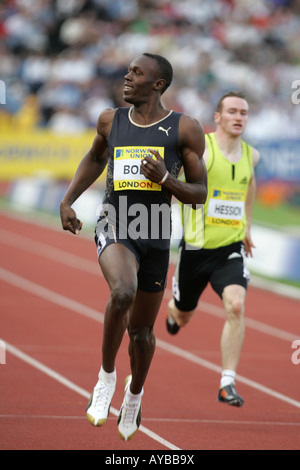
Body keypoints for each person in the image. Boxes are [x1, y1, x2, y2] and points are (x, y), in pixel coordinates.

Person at [60, 52, 207, 440]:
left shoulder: (185, 129)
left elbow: (200, 193)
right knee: (122, 291)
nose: (126, 77)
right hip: (115, 221)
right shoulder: (111, 120)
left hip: (156, 230)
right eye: (127, 71)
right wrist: (68, 200)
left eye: (136, 73)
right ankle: (106, 378)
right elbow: (95, 158)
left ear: (157, 84)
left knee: (141, 334)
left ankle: (135, 394)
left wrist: (167, 181)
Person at [166, 91, 260, 407]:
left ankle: (227, 382)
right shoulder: (202, 151)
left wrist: (246, 226)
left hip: (229, 249)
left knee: (236, 304)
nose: (239, 117)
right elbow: (173, 185)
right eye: (232, 111)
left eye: (244, 113)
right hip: (195, 249)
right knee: (183, 316)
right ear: (217, 117)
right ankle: (174, 314)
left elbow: (249, 186)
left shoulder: (252, 155)